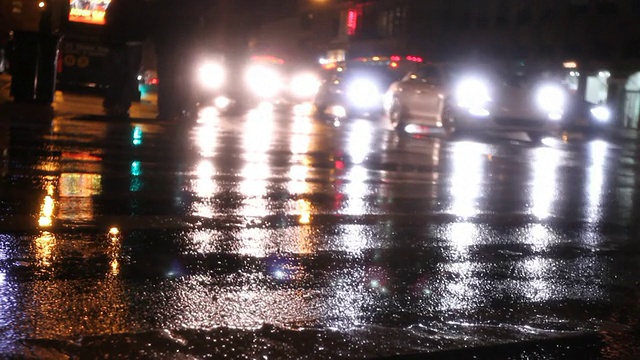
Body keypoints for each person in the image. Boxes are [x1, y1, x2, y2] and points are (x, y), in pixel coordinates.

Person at [102, 0, 149, 118]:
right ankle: (122, 105)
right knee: (130, 75)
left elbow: (109, 16)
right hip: (135, 41)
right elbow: (148, 20)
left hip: (119, 41)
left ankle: (112, 101)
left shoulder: (118, 3)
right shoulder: (141, 4)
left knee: (117, 73)